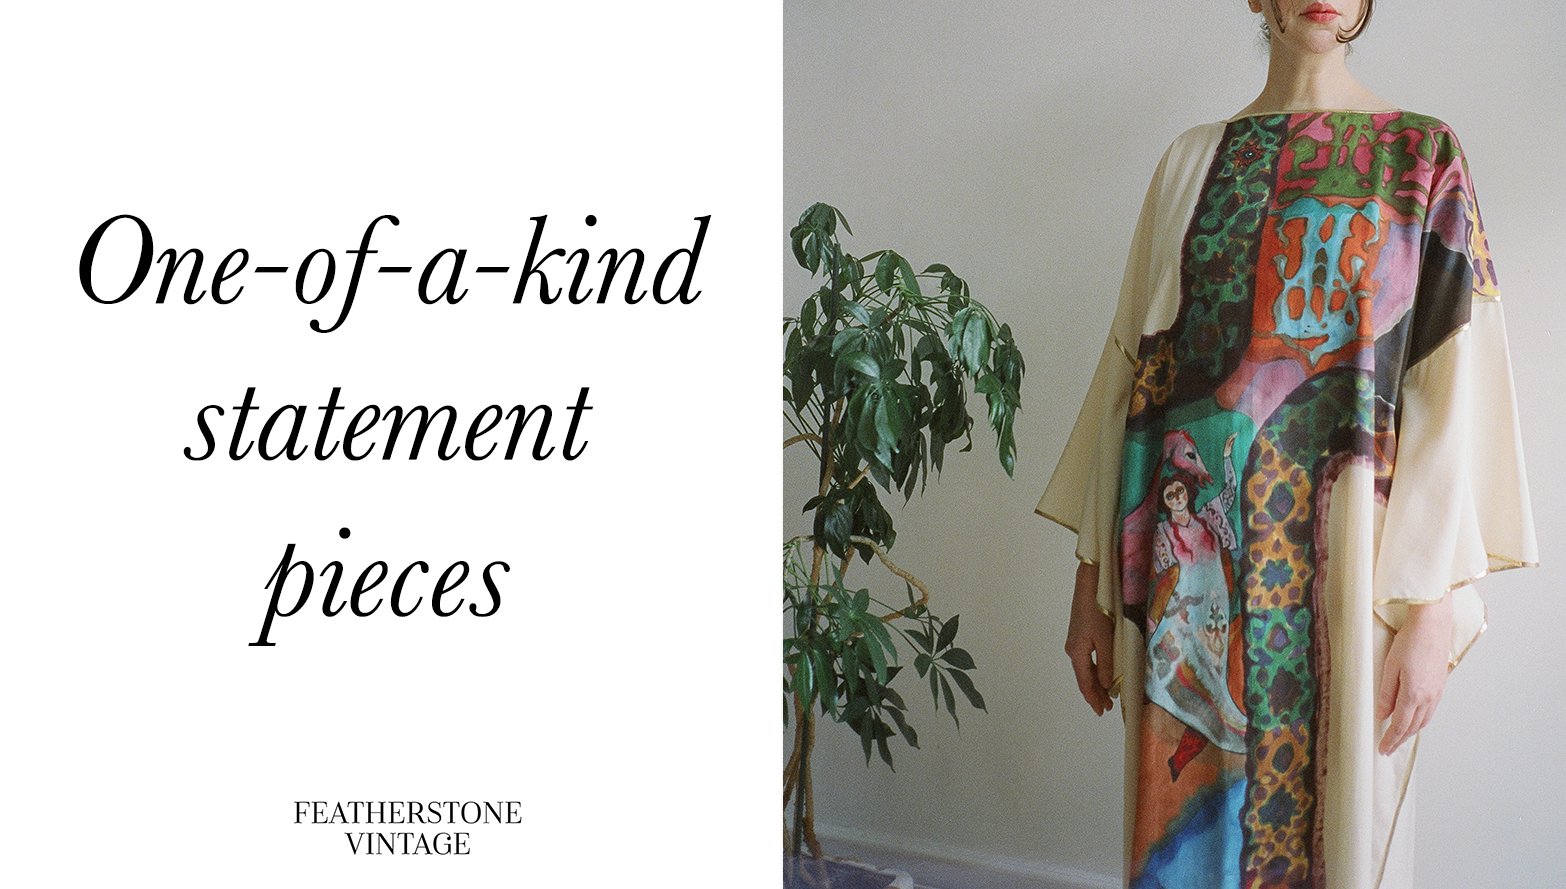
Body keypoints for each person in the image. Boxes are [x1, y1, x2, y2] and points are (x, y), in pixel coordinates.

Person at [1034, 2, 1539, 887]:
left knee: (1338, 838)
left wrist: (1430, 610)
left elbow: (1455, 391)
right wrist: (1090, 586)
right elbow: (1131, 379)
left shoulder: (1421, 158)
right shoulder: (1189, 163)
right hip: (1185, 589)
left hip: (1351, 585)